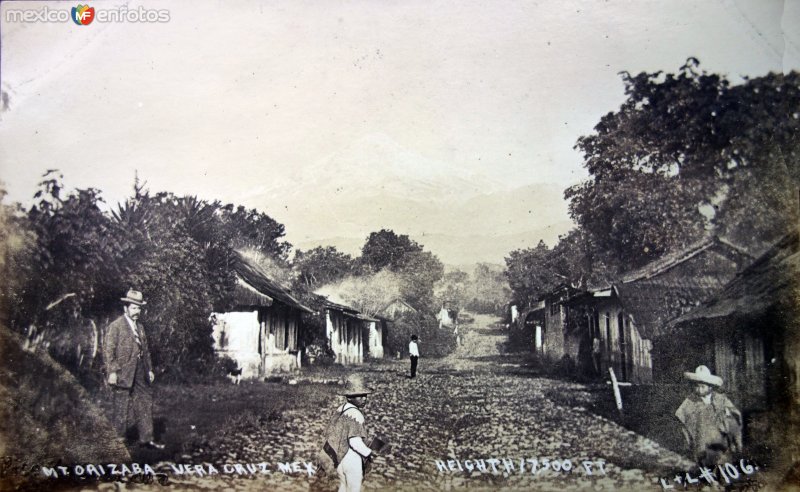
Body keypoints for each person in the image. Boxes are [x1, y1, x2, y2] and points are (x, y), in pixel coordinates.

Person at [103, 289, 164, 449]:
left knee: (144, 401)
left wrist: (149, 369)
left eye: (139, 308)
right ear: (126, 308)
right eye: (134, 308)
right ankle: (119, 440)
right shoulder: (116, 326)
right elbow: (109, 351)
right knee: (121, 405)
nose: (137, 311)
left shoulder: (141, 327)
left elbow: (146, 350)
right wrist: (113, 371)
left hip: (141, 370)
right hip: (123, 371)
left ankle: (146, 438)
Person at [675, 365, 742, 467]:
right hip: (701, 437)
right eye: (697, 386)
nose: (699, 390)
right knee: (704, 460)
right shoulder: (690, 400)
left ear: (710, 387)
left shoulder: (720, 399)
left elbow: (734, 414)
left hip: (719, 436)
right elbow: (682, 415)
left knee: (722, 460)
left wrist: (728, 414)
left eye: (702, 387)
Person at [322, 376, 375, 492]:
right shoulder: (356, 414)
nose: (364, 399)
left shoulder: (341, 409)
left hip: (339, 458)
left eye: (365, 395)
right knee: (354, 488)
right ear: (350, 398)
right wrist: (368, 453)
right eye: (359, 396)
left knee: (343, 487)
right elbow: (354, 441)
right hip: (352, 459)